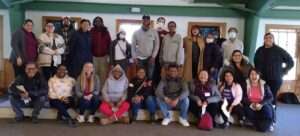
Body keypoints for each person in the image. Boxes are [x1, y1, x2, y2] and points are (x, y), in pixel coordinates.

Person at [254, 32, 294, 106]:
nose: (268, 39)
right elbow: (255, 62)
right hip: (262, 78)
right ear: (264, 40)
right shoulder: (259, 50)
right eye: (266, 38)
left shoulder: (279, 50)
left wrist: (283, 71)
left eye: (270, 38)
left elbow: (291, 62)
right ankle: (264, 112)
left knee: (272, 96)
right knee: (262, 96)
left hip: (275, 78)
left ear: (273, 39)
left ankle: (272, 113)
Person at [132, 15, 160, 82]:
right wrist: (134, 57)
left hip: (150, 58)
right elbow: (133, 46)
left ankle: (149, 90)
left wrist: (153, 56)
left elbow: (157, 45)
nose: (146, 21)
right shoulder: (136, 33)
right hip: (139, 59)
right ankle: (141, 90)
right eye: (144, 20)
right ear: (142, 21)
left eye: (147, 20)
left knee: (150, 76)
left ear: (149, 21)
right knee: (140, 75)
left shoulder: (154, 32)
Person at [91, 16, 112, 86]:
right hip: (94, 57)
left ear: (102, 22)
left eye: (99, 21)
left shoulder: (106, 31)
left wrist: (109, 56)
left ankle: (101, 90)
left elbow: (110, 44)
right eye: (96, 21)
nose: (97, 22)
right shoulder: (91, 31)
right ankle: (94, 89)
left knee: (103, 75)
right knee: (94, 74)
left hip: (104, 57)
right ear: (94, 22)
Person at [153, 16, 169, 86]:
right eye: (159, 21)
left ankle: (159, 86)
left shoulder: (167, 33)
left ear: (164, 23)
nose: (161, 23)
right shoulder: (153, 31)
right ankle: (152, 86)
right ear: (157, 22)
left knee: (160, 71)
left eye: (162, 22)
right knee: (152, 71)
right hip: (153, 55)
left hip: (162, 56)